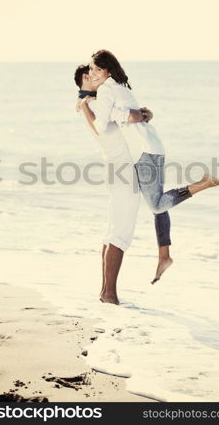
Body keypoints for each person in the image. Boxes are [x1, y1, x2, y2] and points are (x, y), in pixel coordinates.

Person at [81, 49, 219, 285]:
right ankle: (165, 255)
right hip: (153, 147)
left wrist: (91, 105)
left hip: (144, 151)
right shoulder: (122, 86)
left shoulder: (108, 88)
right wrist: (129, 113)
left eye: (93, 69)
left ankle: (205, 183)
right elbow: (136, 114)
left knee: (157, 203)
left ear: (105, 70)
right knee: (158, 203)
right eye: (89, 71)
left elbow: (102, 125)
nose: (91, 74)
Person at [75, 64, 153, 305]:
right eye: (94, 74)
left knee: (113, 231)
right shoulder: (96, 103)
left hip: (115, 169)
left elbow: (115, 121)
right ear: (87, 78)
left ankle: (105, 291)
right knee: (120, 234)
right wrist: (143, 115)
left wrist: (141, 112)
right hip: (123, 171)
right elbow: (124, 118)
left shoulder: (90, 103)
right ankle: (109, 294)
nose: (99, 77)